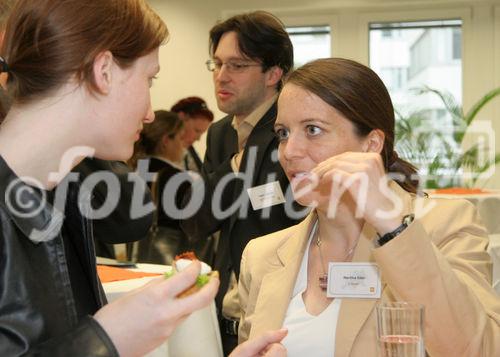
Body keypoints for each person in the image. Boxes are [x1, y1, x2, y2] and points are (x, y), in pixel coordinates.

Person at [0, 1, 287, 356]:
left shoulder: (62, 198)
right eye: (149, 79)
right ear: (103, 71)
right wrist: (109, 336)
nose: (151, 113)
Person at [238, 58, 500, 356]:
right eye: (283, 133)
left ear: (372, 144)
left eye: (312, 130)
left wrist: (390, 224)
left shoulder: (445, 226)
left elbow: (480, 348)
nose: (290, 151)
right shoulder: (262, 256)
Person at [180, 10, 305, 354]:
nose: (221, 76)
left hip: (282, 314)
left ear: (273, 73)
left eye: (236, 65)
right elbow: (197, 219)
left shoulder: (293, 132)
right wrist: (236, 164)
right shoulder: (221, 134)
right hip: (227, 311)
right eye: (217, 64)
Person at [129, 109, 191, 264]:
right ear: (166, 141)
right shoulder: (177, 178)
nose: (183, 145)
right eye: (180, 138)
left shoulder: (133, 170)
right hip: (167, 260)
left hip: (135, 256)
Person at [171, 96, 214, 172]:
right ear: (181, 117)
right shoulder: (152, 152)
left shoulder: (189, 154)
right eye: (197, 131)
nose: (198, 139)